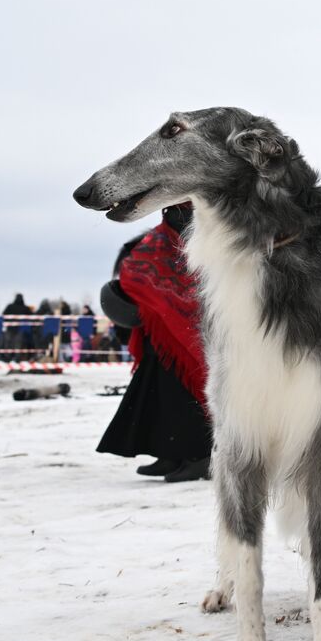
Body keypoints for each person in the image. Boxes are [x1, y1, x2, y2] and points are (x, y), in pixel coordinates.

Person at [95, 205, 213, 482]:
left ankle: (199, 455)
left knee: (184, 393)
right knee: (158, 391)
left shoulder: (200, 227)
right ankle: (169, 452)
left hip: (190, 328)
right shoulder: (159, 236)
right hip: (159, 330)